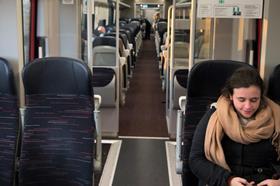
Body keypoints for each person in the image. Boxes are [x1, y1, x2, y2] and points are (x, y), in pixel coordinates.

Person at [189, 67, 280, 186]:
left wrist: (278, 182)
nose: (247, 106)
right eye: (241, 100)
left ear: (261, 96)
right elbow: (196, 160)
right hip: (223, 181)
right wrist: (228, 180)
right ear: (231, 96)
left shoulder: (276, 116)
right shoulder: (215, 116)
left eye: (254, 100)